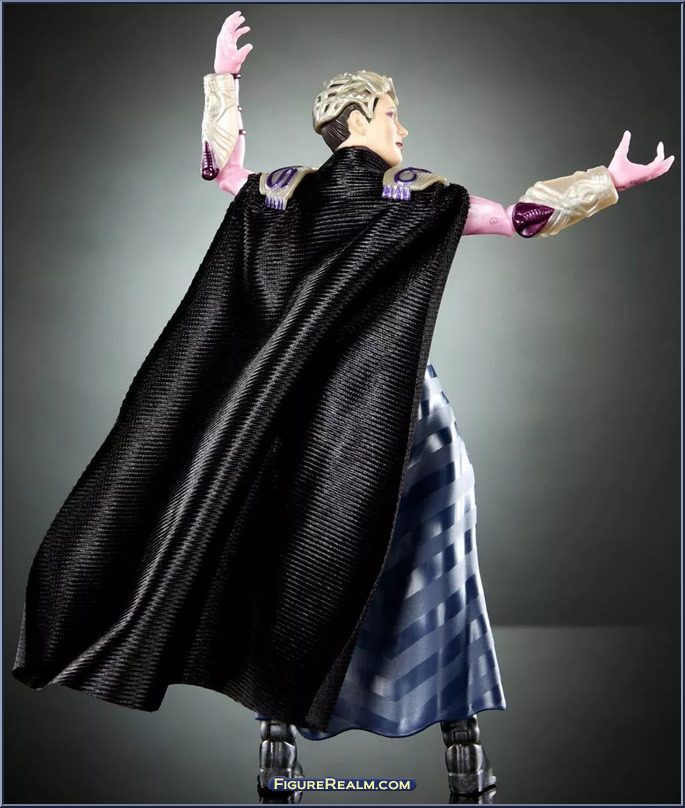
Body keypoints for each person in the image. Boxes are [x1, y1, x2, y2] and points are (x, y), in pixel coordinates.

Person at [13, 10, 674, 803]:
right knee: (437, 566)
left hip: (299, 420)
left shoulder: (280, 194)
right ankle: (461, 747)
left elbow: (221, 170)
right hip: (400, 418)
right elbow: (520, 219)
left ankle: (279, 744)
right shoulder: (418, 195)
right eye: (392, 113)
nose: (402, 126)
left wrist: (223, 82)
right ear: (358, 119)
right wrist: (608, 182)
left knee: (291, 560)